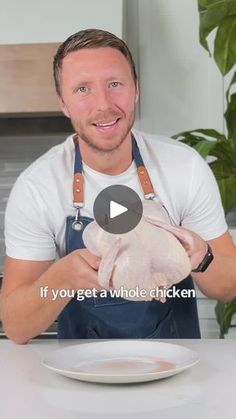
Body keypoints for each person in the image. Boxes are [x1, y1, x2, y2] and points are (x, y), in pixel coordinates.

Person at [1, 29, 236, 344]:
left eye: (115, 84)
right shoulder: (38, 188)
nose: (104, 104)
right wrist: (63, 278)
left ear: (136, 89)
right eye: (83, 89)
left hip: (175, 375)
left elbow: (228, 287)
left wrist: (203, 256)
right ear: (64, 104)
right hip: (82, 376)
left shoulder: (185, 167)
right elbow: (16, 326)